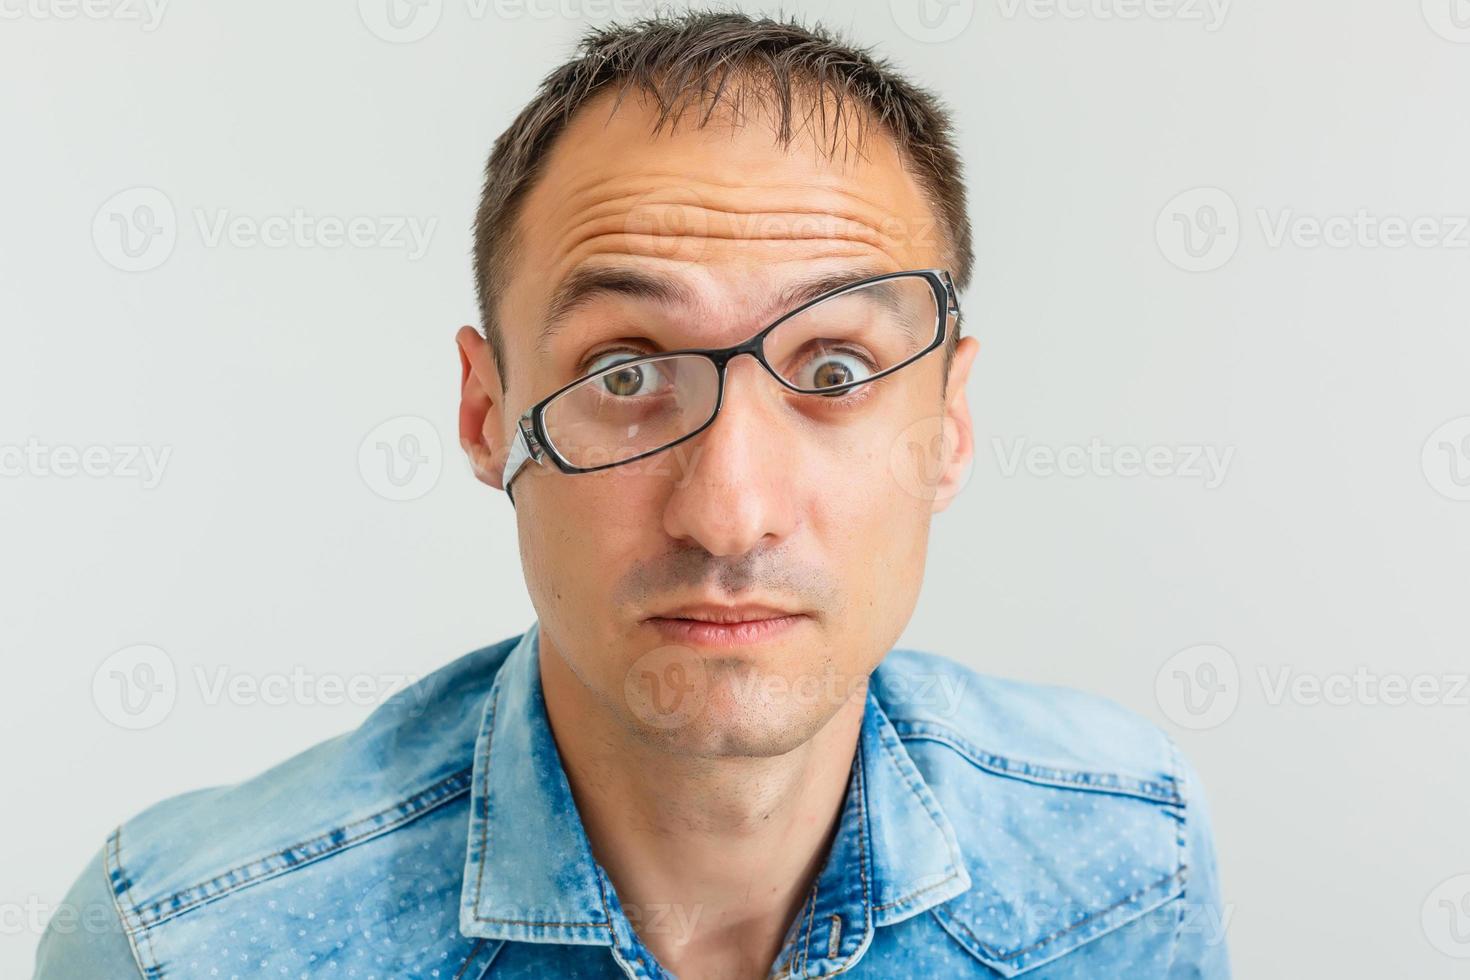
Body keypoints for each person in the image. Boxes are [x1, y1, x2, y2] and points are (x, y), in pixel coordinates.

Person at [37, 10, 1229, 978]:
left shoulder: (1127, 853)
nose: (728, 513)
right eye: (625, 373)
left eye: (835, 369)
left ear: (948, 424)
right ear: (486, 413)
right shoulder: (184, 947)